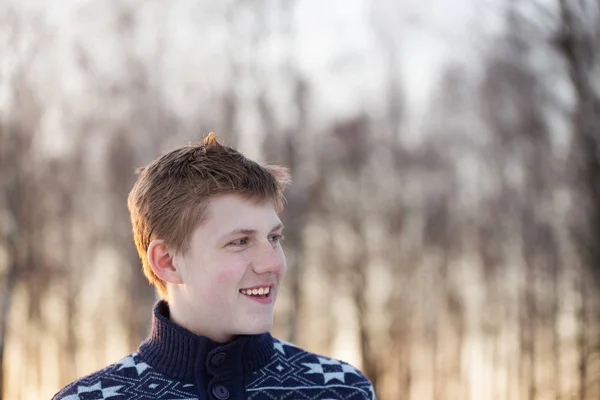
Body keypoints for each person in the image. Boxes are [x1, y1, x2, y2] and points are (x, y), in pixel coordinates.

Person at [52, 133, 375, 400]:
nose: (273, 263)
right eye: (240, 242)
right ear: (167, 262)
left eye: (274, 238)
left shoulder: (341, 389)